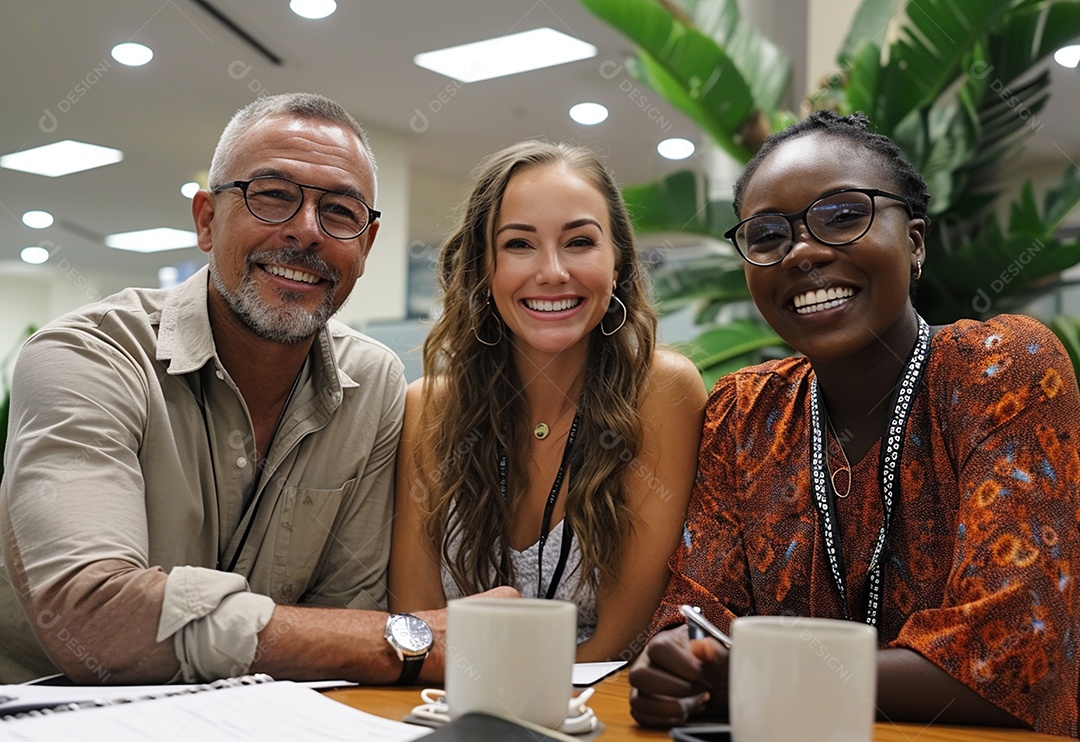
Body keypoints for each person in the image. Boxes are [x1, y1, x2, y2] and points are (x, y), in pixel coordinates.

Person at [0, 92, 511, 686]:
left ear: (366, 247)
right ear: (207, 220)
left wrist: (357, 638)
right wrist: (406, 639)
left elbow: (347, 612)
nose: (305, 231)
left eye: (340, 212)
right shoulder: (88, 355)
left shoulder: (373, 383)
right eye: (272, 196)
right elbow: (93, 616)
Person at [628, 111, 1080, 737]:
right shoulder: (743, 413)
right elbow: (697, 611)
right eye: (767, 235)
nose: (804, 251)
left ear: (915, 242)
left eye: (843, 216)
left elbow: (1009, 662)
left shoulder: (999, 370)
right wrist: (673, 660)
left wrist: (761, 670)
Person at [390, 141, 706, 662]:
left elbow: (617, 641)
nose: (553, 271)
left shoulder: (660, 391)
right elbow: (418, 628)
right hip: (447, 706)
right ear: (483, 266)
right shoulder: (429, 408)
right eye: (519, 244)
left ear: (618, 258)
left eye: (579, 241)